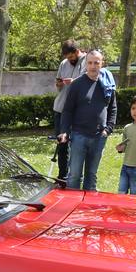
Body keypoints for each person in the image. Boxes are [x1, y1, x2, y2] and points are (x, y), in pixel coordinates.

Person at [57, 49, 117, 192]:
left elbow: (113, 109)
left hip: (99, 136)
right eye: (90, 63)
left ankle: (87, 210)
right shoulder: (77, 84)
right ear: (86, 64)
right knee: (74, 175)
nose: (93, 66)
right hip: (79, 136)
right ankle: (71, 208)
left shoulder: (108, 84)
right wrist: (64, 132)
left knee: (91, 176)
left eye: (96, 63)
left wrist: (108, 129)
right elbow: (67, 110)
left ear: (102, 64)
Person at [53, 41, 87, 181]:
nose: (69, 60)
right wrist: (59, 83)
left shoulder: (87, 61)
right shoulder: (63, 64)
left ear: (77, 51)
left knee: (77, 145)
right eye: (67, 57)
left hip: (77, 111)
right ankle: (62, 175)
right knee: (62, 143)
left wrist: (73, 82)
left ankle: (75, 176)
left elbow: (87, 81)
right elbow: (58, 85)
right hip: (60, 108)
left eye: (71, 57)